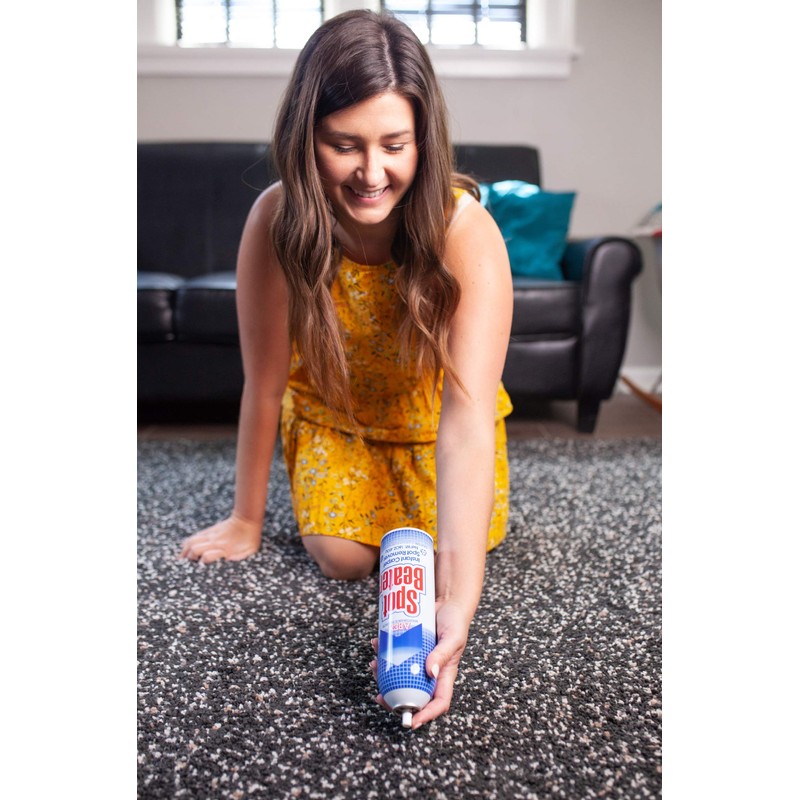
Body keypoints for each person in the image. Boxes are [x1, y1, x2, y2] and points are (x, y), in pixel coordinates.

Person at [178, 9, 513, 730]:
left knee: (458, 549)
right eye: (344, 145)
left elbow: (466, 423)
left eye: (395, 145)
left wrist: (455, 603)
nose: (371, 173)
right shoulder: (276, 220)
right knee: (340, 558)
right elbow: (264, 381)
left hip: (434, 426)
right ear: (306, 139)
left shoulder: (464, 231)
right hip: (337, 419)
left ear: (424, 140)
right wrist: (245, 519)